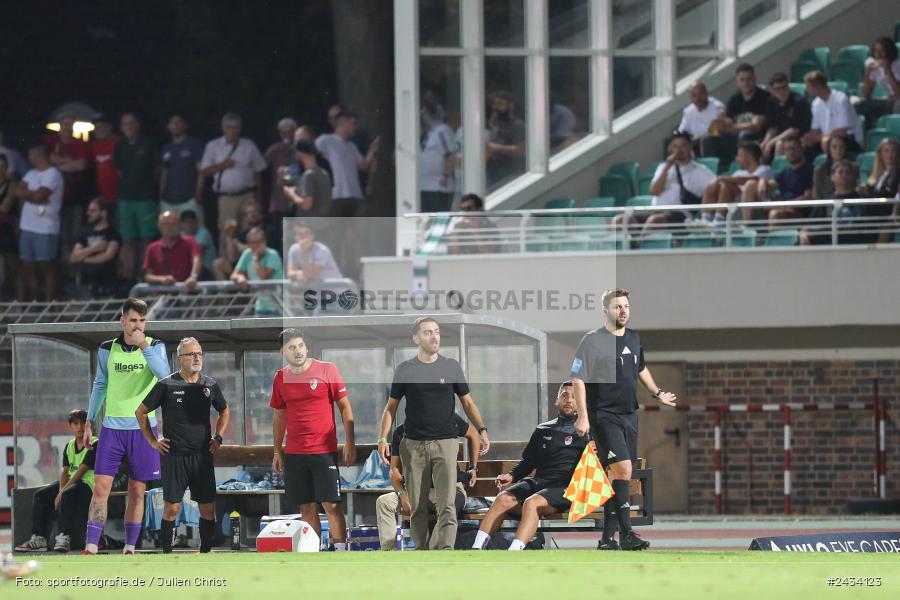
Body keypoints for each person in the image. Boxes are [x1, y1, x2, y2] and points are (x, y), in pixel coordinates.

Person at [571, 288, 677, 551]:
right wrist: (583, 417)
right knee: (625, 469)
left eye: (626, 306)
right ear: (606, 310)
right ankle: (627, 533)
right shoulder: (592, 340)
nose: (623, 311)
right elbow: (577, 377)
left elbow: (640, 367)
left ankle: (607, 539)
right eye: (618, 307)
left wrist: (657, 392)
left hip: (629, 414)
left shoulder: (633, 337)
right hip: (604, 415)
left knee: (618, 474)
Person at [377, 317, 490, 551]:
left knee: (447, 504)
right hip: (413, 446)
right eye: (428, 332)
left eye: (437, 332)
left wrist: (482, 430)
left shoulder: (451, 366)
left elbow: (468, 403)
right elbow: (390, 408)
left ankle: (444, 551)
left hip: (446, 443)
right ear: (416, 338)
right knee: (417, 506)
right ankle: (421, 550)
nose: (435, 336)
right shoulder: (405, 369)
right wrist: (381, 439)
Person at [82, 298, 170, 555]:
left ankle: (130, 547)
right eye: (133, 320)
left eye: (142, 321)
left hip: (143, 429)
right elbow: (100, 385)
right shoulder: (107, 348)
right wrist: (89, 420)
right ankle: (91, 546)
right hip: (111, 429)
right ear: (122, 321)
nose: (137, 326)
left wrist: (143, 344)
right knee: (100, 488)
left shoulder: (155, 345)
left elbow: (164, 376)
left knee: (137, 490)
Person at [136, 337, 230, 554]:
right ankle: (167, 555)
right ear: (180, 359)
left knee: (207, 508)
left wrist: (218, 437)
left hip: (202, 456)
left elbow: (224, 410)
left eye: (200, 353)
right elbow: (140, 412)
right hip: (174, 456)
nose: (197, 357)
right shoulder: (166, 385)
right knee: (172, 508)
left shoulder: (210, 385)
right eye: (191, 354)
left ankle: (205, 553)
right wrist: (153, 440)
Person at [472, 381, 588, 551]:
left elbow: (597, 466)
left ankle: (515, 551)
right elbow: (528, 461)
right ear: (556, 401)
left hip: (567, 489)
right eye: (564, 395)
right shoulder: (543, 429)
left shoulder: (587, 431)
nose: (569, 400)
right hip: (540, 484)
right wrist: (511, 476)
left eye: (573, 396)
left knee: (531, 502)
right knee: (502, 498)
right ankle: (475, 549)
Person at [270, 328, 356, 550]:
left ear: (306, 347)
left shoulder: (327, 370)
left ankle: (340, 552)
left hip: (324, 450)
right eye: (291, 347)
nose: (297, 351)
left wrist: (350, 442)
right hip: (295, 453)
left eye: (300, 346)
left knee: (331, 505)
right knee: (306, 507)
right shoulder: (280, 378)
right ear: (283, 352)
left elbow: (345, 407)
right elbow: (279, 415)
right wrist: (277, 451)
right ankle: (314, 552)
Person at [375, 415, 478, 551]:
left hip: (450, 489)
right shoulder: (401, 432)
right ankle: (388, 553)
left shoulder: (447, 418)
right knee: (384, 502)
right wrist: (402, 493)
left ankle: (434, 552)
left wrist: (473, 467)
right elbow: (394, 469)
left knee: (447, 508)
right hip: (415, 490)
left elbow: (473, 434)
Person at [15, 409, 97, 553]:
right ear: (70, 426)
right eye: (75, 423)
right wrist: (60, 490)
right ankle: (39, 539)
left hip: (87, 485)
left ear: (89, 425)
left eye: (83, 423)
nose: (80, 427)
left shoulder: (94, 443)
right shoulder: (69, 445)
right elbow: (65, 471)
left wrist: (62, 492)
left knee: (66, 494)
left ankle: (64, 536)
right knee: (41, 494)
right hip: (73, 483)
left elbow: (82, 471)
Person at [630, 131, 715, 233]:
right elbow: (654, 191)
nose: (679, 150)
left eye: (683, 145)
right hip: (655, 211)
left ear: (690, 146)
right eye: (675, 146)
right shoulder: (663, 167)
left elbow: (715, 188)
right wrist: (667, 167)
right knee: (622, 220)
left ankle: (637, 246)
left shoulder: (701, 171)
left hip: (680, 216)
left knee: (655, 220)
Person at [200, 112, 266, 239]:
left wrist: (259, 198)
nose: (232, 131)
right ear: (223, 128)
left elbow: (259, 171)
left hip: (248, 197)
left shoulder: (249, 145)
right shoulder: (213, 146)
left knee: (250, 230)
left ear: (240, 129)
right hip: (227, 199)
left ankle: (249, 258)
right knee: (228, 232)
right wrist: (222, 165)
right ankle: (226, 258)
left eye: (235, 127)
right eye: (228, 127)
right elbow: (204, 171)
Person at [13, 144, 64, 302]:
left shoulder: (53, 174)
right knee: (28, 266)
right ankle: (34, 301)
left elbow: (39, 197)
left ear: (38, 155)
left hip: (45, 228)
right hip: (27, 227)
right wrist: (33, 194)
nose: (28, 158)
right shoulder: (31, 173)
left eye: (30, 155)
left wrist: (29, 194)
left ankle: (50, 302)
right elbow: (15, 190)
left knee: (46, 266)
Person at [114, 112, 159, 282]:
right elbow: (118, 171)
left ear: (138, 125)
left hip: (146, 198)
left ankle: (145, 274)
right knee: (127, 238)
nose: (129, 127)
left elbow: (157, 170)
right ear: (121, 127)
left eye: (132, 123)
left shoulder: (148, 144)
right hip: (126, 198)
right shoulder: (120, 146)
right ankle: (129, 275)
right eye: (125, 124)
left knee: (146, 238)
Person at [314, 111, 378, 218]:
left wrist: (372, 151)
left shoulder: (351, 146)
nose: (356, 127)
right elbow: (311, 153)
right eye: (353, 123)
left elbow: (363, 166)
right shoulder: (326, 140)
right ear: (343, 124)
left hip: (356, 195)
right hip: (337, 195)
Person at [46, 114, 91, 257]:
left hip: (75, 197)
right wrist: (69, 162)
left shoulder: (81, 144)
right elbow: (48, 160)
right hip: (53, 197)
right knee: (58, 235)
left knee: (74, 235)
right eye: (65, 124)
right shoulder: (50, 141)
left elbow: (81, 165)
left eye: (70, 124)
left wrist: (58, 165)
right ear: (59, 126)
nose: (67, 127)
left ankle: (74, 271)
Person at [699, 141, 773, 224]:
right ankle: (705, 218)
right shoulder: (738, 173)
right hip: (733, 204)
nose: (737, 159)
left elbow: (749, 179)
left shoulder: (765, 169)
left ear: (749, 157)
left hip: (751, 205)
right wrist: (716, 182)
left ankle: (719, 220)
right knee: (713, 185)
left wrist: (723, 178)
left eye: (740, 155)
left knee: (727, 185)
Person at [802, 70, 863, 155]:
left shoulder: (841, 99)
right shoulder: (816, 103)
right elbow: (814, 130)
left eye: (808, 86)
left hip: (849, 139)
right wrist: (807, 139)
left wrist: (820, 138)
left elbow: (842, 131)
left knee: (826, 142)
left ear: (817, 86)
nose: (806, 89)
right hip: (826, 139)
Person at [756, 136, 814, 225]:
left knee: (775, 214)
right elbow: (770, 185)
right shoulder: (785, 173)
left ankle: (771, 239)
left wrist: (782, 206)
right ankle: (747, 227)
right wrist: (762, 181)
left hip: (800, 213)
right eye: (787, 149)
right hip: (782, 208)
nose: (791, 152)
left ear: (801, 149)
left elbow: (808, 197)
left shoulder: (811, 171)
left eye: (794, 148)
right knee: (751, 185)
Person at [69, 198, 122, 297]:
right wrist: (93, 248)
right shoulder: (84, 233)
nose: (88, 213)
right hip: (85, 285)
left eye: (93, 211)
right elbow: (73, 257)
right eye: (88, 210)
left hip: (106, 285)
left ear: (103, 213)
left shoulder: (112, 233)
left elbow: (108, 255)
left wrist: (83, 259)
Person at [709, 63, 770, 148]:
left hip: (757, 138)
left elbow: (756, 126)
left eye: (749, 79)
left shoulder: (764, 97)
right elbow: (726, 120)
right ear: (737, 82)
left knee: (744, 135)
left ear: (755, 79)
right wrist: (720, 124)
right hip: (736, 136)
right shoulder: (735, 99)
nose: (746, 83)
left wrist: (730, 128)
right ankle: (719, 161)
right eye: (742, 80)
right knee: (709, 139)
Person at [801, 160, 860, 245]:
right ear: (832, 176)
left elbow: (882, 226)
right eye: (840, 172)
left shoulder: (864, 201)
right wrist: (803, 233)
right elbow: (808, 225)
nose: (844, 175)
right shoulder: (825, 203)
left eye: (848, 172)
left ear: (854, 176)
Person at [160, 114, 205, 222]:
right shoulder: (167, 148)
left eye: (179, 122)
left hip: (189, 200)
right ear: (168, 127)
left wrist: (198, 194)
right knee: (170, 234)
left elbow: (201, 171)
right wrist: (160, 195)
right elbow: (164, 173)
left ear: (185, 125)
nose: (175, 125)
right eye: (172, 123)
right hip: (168, 201)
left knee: (195, 235)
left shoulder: (194, 144)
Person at [229, 226, 284, 315]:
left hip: (278, 306)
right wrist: (240, 277)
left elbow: (264, 277)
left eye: (259, 242)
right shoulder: (247, 253)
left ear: (265, 242)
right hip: (260, 306)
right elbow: (234, 275)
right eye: (252, 242)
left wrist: (256, 258)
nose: (255, 245)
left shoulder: (273, 255)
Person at [760, 72, 812, 164]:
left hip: (799, 136)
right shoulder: (771, 102)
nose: (781, 92)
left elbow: (795, 129)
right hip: (780, 136)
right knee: (760, 147)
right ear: (772, 90)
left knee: (780, 144)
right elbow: (772, 127)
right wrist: (765, 142)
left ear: (788, 86)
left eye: (784, 87)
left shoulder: (799, 101)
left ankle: (779, 171)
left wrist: (772, 142)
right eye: (777, 89)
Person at [143, 211, 201, 289]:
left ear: (179, 226)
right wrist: (162, 279)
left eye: (174, 223)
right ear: (159, 226)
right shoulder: (152, 248)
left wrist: (193, 277)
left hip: (187, 292)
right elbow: (148, 276)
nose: (170, 227)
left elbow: (196, 259)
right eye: (166, 224)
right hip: (162, 295)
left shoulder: (190, 242)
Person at [214, 202, 265, 280]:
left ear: (261, 215)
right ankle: (225, 292)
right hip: (244, 269)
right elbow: (232, 258)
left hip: (263, 266)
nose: (252, 214)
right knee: (218, 263)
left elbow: (260, 251)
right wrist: (229, 236)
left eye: (254, 211)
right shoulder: (242, 235)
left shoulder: (269, 231)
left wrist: (239, 245)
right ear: (245, 219)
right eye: (248, 213)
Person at [856, 37, 900, 128]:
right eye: (876, 51)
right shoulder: (876, 67)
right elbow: (866, 94)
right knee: (860, 105)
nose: (878, 54)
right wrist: (867, 73)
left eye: (882, 51)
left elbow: (898, 94)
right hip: (888, 100)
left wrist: (888, 70)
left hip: (898, 100)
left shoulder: (897, 65)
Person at [419, 105, 456, 212]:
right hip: (425, 185)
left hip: (438, 186)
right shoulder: (426, 132)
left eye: (423, 113)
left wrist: (445, 175)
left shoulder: (442, 130)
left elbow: (450, 155)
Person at [486, 91, 526, 188]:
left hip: (512, 176)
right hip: (495, 175)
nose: (495, 108)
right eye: (494, 104)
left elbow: (522, 150)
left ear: (510, 106)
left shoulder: (517, 125)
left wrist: (495, 148)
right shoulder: (496, 125)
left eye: (500, 104)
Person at [282, 139, 332, 217]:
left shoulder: (308, 175)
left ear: (300, 153)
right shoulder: (324, 173)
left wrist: (291, 194)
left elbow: (306, 205)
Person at [677, 81, 726, 156]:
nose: (698, 98)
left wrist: (700, 139)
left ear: (706, 93)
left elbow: (719, 131)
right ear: (690, 97)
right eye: (694, 95)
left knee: (707, 140)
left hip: (716, 144)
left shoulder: (718, 108)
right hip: (695, 145)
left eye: (701, 94)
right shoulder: (688, 111)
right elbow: (682, 131)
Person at [264, 117, 299, 224]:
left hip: (298, 195)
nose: (287, 135)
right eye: (284, 133)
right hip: (279, 197)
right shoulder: (275, 149)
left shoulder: (300, 148)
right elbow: (262, 166)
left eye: (290, 132)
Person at [286, 221, 342, 286]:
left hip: (336, 290)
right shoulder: (293, 249)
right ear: (295, 237)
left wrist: (303, 252)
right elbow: (289, 273)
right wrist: (299, 273)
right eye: (300, 234)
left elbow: (310, 274)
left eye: (307, 234)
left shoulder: (322, 250)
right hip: (317, 292)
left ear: (312, 236)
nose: (304, 237)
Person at [0, 154, 21, 300]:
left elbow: (5, 207)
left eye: (2, 166)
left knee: (12, 267)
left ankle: (18, 302)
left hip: (6, 228)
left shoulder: (12, 184)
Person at [89, 116, 120, 205]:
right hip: (101, 196)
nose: (98, 129)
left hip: (120, 195)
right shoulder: (93, 145)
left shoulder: (119, 142)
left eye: (101, 126)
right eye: (96, 127)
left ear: (109, 127)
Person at [179, 210, 215, 280]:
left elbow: (197, 253)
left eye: (192, 222)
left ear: (196, 222)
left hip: (206, 270)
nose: (189, 225)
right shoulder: (181, 235)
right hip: (188, 269)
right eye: (186, 222)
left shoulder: (204, 233)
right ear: (181, 224)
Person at [812, 135, 848, 199]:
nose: (838, 150)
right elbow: (817, 195)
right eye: (834, 147)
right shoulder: (820, 171)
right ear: (829, 149)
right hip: (826, 206)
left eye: (841, 146)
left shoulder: (852, 168)